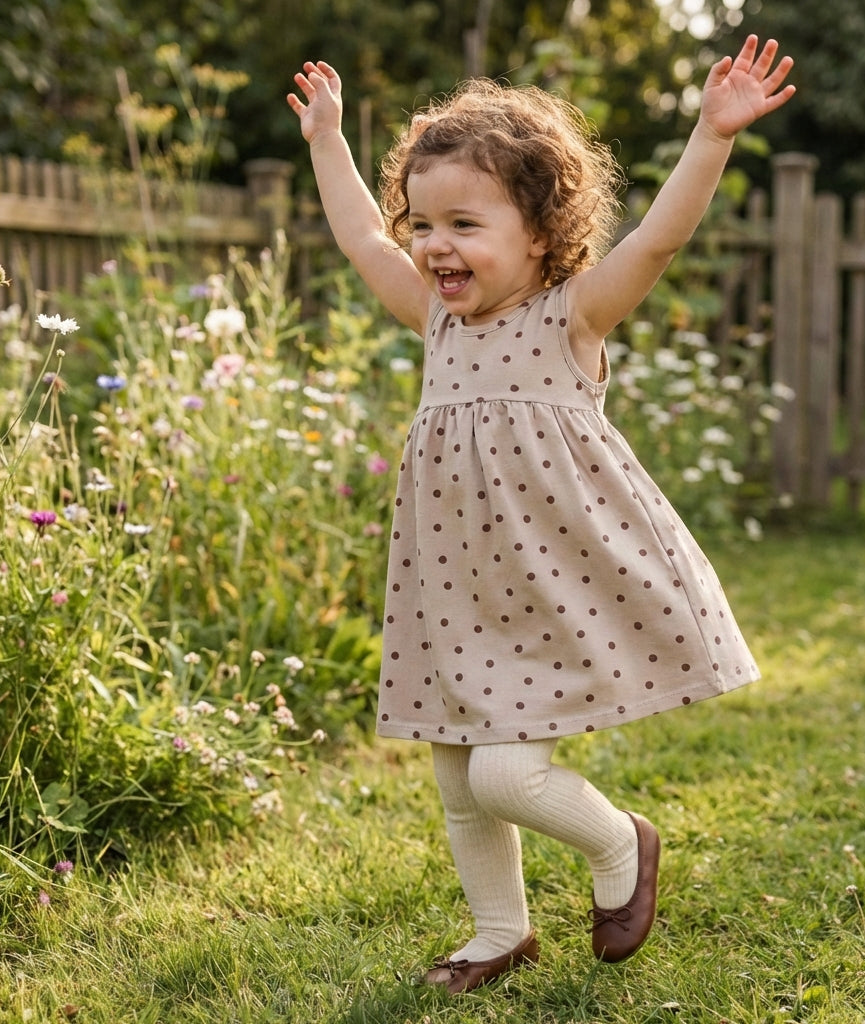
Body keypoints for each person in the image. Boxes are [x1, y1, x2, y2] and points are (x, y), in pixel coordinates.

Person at [288, 35, 795, 995]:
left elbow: (659, 239)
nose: (435, 244)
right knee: (454, 771)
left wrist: (711, 135)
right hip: (454, 587)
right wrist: (329, 140)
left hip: (554, 586)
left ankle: (621, 844)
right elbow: (361, 236)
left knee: (504, 775)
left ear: (540, 231)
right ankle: (497, 931)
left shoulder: (571, 317)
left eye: (464, 224)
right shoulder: (436, 318)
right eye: (424, 222)